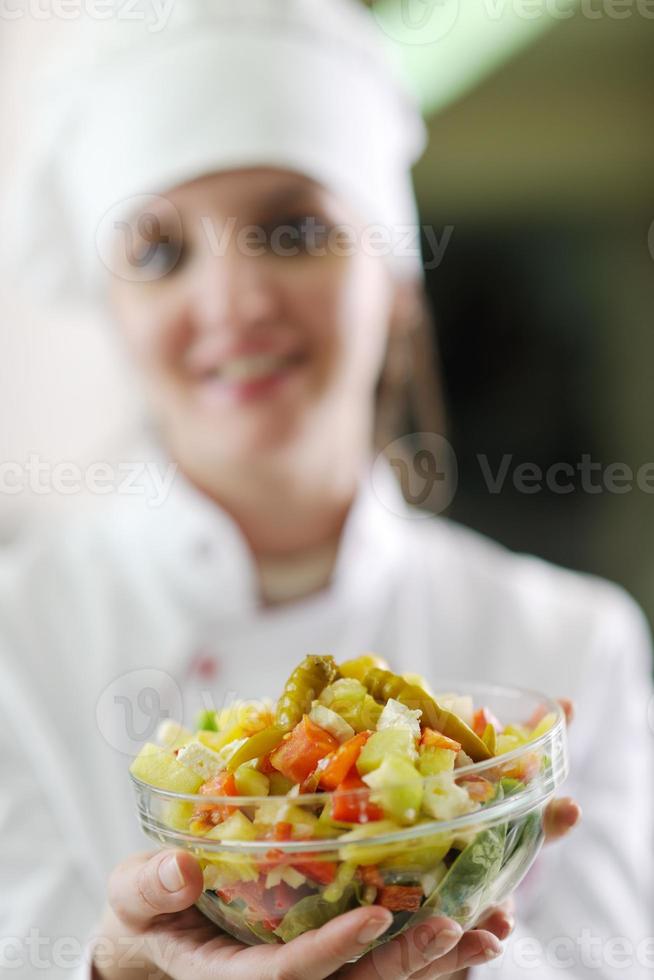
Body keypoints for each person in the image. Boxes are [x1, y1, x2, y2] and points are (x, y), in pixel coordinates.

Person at [1, 1, 652, 978]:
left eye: (294, 228)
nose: (234, 301)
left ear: (393, 274)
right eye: (159, 251)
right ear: (116, 309)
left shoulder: (574, 640)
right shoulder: (16, 637)